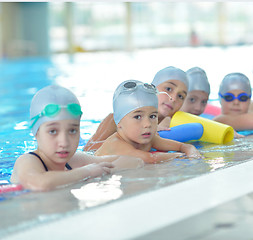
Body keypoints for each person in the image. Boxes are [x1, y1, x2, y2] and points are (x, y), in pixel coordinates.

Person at [11, 85, 143, 191]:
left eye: (72, 130)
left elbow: (134, 161)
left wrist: (102, 170)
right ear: (36, 132)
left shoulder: (74, 161)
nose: (64, 142)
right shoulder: (28, 161)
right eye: (53, 131)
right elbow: (39, 184)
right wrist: (86, 172)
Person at [84, 66, 189, 151]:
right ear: (152, 89)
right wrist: (131, 139)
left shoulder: (174, 122)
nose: (173, 98)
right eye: (168, 89)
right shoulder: (116, 119)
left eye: (180, 96)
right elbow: (89, 149)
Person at [95, 80, 201, 163]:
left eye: (152, 116)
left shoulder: (148, 138)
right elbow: (151, 159)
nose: (147, 124)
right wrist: (182, 156)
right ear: (119, 122)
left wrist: (190, 149)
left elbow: (181, 146)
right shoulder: (115, 144)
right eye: (137, 117)